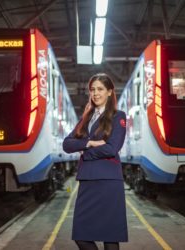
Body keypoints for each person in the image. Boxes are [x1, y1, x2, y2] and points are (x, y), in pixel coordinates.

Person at [63, 73, 128, 250]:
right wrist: (89, 143)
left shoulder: (118, 116)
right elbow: (67, 145)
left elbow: (111, 149)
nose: (95, 93)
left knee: (110, 237)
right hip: (87, 181)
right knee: (81, 236)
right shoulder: (86, 118)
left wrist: (84, 152)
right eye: (92, 90)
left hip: (108, 182)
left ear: (109, 92)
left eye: (100, 89)